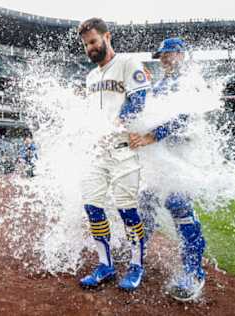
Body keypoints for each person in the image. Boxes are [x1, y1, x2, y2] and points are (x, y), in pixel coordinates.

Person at [129, 38, 206, 301]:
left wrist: (154, 135)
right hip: (160, 156)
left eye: (168, 54)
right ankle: (137, 255)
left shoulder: (190, 81)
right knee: (145, 202)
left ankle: (193, 272)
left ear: (181, 54)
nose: (163, 58)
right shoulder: (159, 85)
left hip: (183, 155)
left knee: (177, 204)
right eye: (161, 55)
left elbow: (186, 117)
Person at [78, 18, 150, 291]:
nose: (90, 48)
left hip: (123, 149)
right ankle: (105, 264)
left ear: (107, 36)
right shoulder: (90, 77)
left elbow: (139, 99)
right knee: (92, 206)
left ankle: (136, 265)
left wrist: (117, 123)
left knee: (127, 211)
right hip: (98, 152)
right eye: (86, 45)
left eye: (94, 41)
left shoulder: (127, 63)